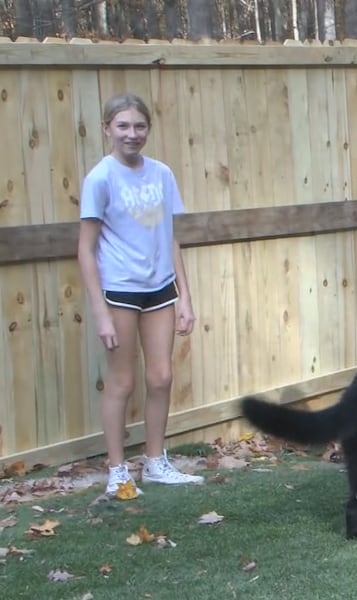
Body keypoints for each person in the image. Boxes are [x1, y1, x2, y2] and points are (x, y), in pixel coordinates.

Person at [78, 93, 205, 497]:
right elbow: (85, 249)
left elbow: (168, 238)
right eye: (123, 126)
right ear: (107, 129)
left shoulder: (162, 174)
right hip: (119, 292)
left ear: (148, 129)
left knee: (162, 376)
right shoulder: (101, 178)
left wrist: (184, 296)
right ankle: (117, 471)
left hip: (160, 290)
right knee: (122, 381)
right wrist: (99, 311)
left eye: (139, 126)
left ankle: (155, 462)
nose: (132, 134)